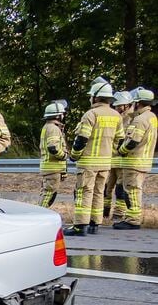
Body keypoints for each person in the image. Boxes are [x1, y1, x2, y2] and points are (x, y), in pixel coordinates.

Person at [65, 76, 125, 236]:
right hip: (105, 163)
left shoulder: (91, 115)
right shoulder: (116, 116)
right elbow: (120, 141)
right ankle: (94, 224)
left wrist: (74, 155)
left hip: (88, 163)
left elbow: (81, 139)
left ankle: (80, 226)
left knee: (84, 192)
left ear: (96, 97)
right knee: (99, 192)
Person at [113, 87, 157, 230]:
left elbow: (132, 142)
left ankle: (133, 220)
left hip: (134, 162)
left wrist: (121, 150)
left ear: (138, 103)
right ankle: (132, 217)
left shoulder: (139, 120)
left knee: (131, 191)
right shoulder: (152, 117)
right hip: (143, 160)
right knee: (135, 190)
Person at [105, 90, 135, 220]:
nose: (116, 108)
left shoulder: (131, 120)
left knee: (120, 189)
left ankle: (118, 214)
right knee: (107, 188)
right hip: (113, 159)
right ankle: (105, 212)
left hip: (123, 160)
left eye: (119, 105)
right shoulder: (118, 117)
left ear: (127, 105)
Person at [38, 100, 68, 208]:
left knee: (47, 193)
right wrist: (64, 156)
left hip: (50, 168)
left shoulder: (48, 127)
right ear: (59, 115)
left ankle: (41, 213)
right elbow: (53, 147)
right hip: (53, 168)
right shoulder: (53, 128)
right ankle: (41, 214)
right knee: (49, 194)